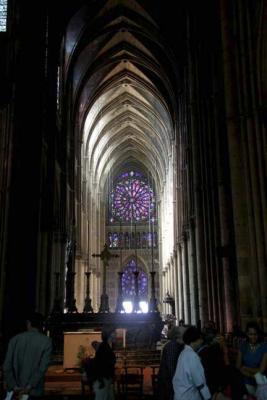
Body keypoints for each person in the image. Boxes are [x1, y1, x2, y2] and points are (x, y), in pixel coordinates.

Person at [3, 312, 52, 399]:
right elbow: (42, 368)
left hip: (15, 392)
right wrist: (29, 387)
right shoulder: (46, 342)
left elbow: (6, 366)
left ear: (28, 323)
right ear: (41, 325)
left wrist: (14, 386)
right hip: (34, 391)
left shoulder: (14, 340)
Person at [172, 326, 211, 400]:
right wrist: (208, 397)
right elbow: (199, 382)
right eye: (200, 339)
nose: (201, 342)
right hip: (188, 396)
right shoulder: (192, 356)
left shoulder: (184, 353)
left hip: (181, 395)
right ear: (194, 340)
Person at [236, 321, 267, 396]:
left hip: (261, 382)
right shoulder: (243, 346)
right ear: (247, 334)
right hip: (246, 381)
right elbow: (237, 366)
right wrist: (247, 372)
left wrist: (245, 368)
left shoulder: (264, 346)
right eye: (250, 334)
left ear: (258, 334)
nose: (253, 337)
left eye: (255, 334)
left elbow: (261, 370)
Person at [157, 326, 186, 400]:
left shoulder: (178, 345)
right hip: (168, 384)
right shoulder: (172, 346)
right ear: (179, 336)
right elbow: (171, 367)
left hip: (169, 383)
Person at [89, 328, 116, 400]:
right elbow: (99, 365)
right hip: (103, 380)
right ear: (109, 335)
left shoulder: (106, 346)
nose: (116, 335)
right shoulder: (104, 347)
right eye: (114, 333)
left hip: (105, 379)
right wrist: (101, 381)